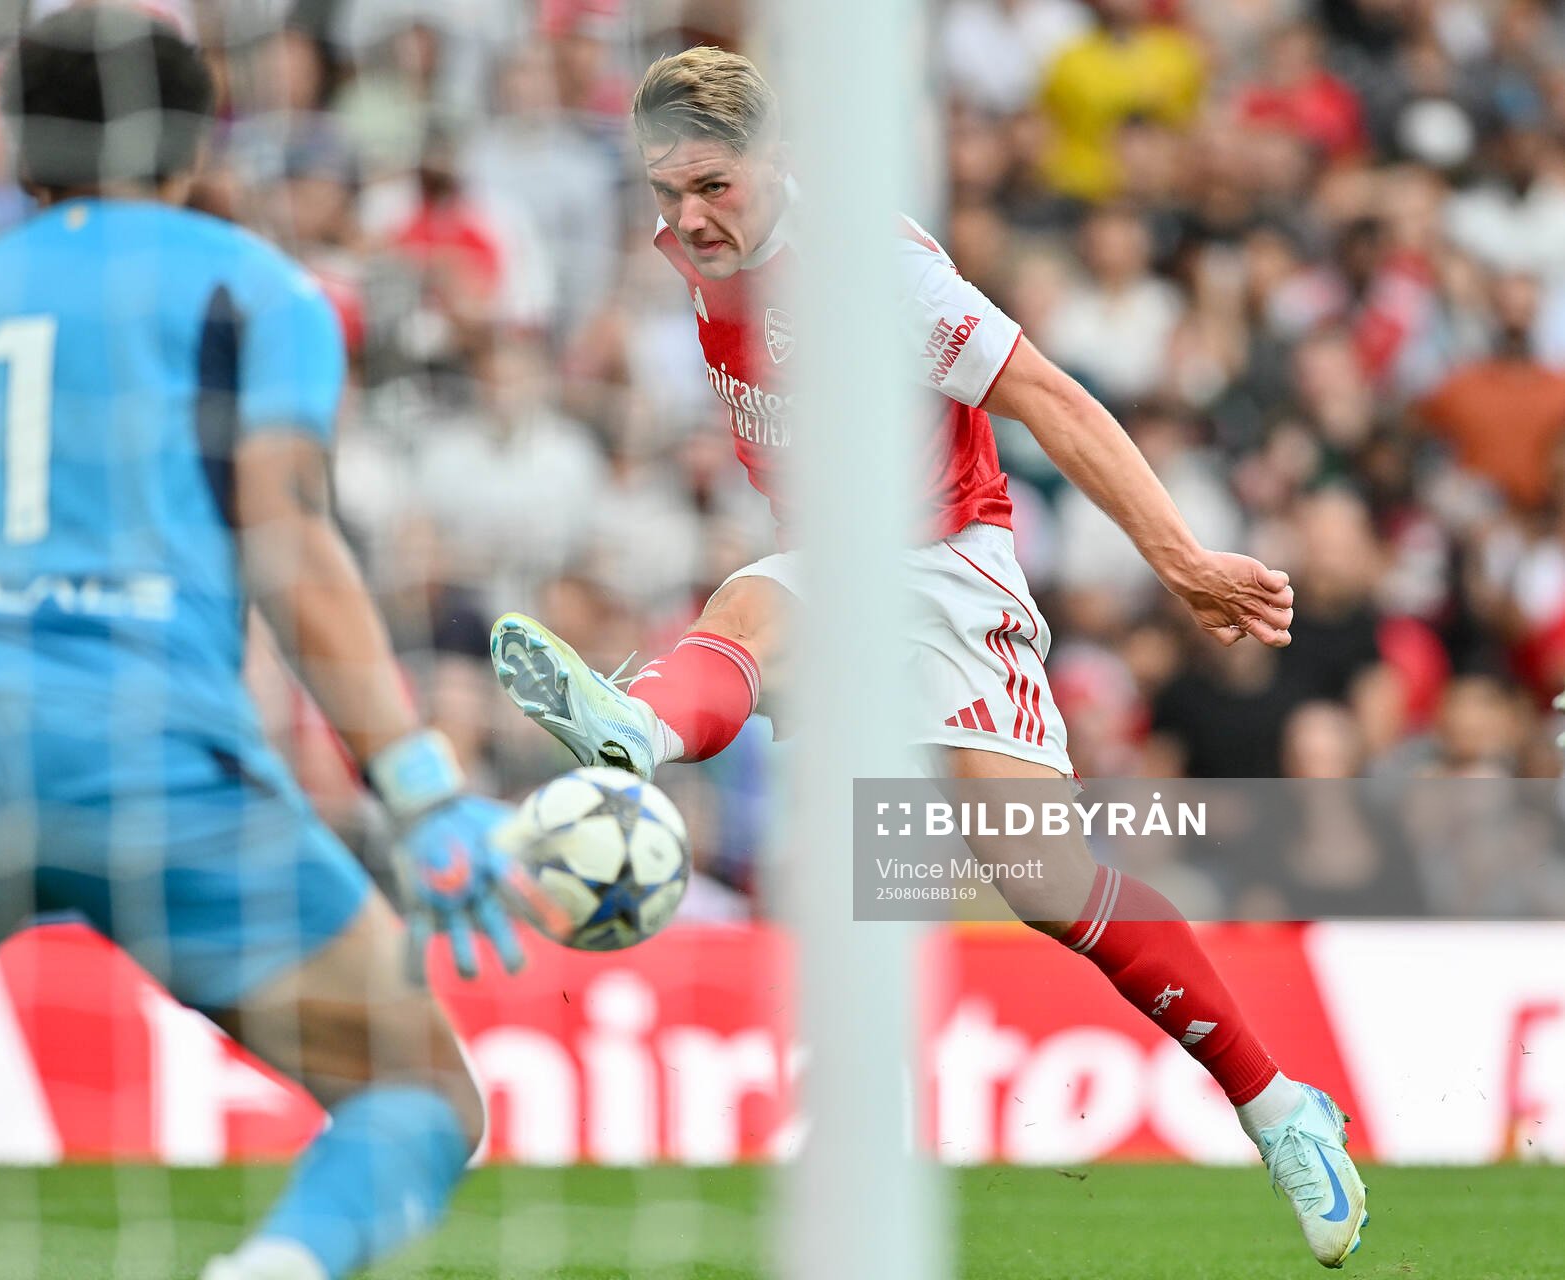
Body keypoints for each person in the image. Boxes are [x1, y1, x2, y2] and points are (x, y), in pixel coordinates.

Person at [490, 46, 1369, 1269]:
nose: (685, 217)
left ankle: (1278, 1105)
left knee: (1045, 883)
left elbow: (1050, 397)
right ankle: (632, 730)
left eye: (710, 188)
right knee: (750, 605)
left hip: (949, 573)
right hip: (833, 560)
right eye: (663, 190)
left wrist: (1177, 558)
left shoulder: (874, 268)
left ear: (773, 161)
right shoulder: (694, 247)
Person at [0, 11, 533, 1280]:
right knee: (418, 1094)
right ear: (195, 146)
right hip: (152, 754)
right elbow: (288, 534)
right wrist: (417, 784)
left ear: (20, 154)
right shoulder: (258, 286)